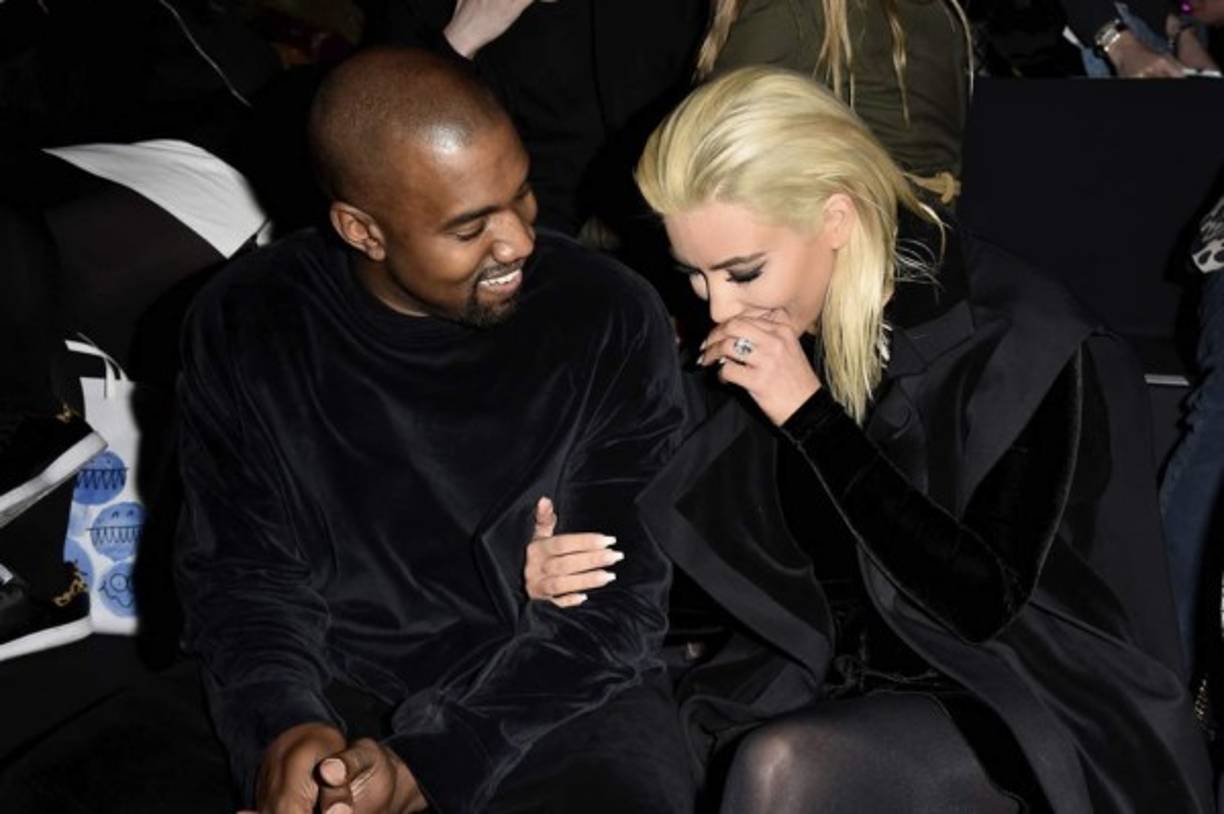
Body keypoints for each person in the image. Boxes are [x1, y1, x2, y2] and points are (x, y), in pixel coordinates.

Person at [527, 66, 1214, 811]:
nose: (719, 307)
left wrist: (810, 416)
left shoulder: (1023, 341)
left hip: (1030, 697)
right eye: (694, 278)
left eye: (743, 272)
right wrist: (577, 570)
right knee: (601, 747)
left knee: (784, 768)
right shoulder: (780, 330)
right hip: (839, 679)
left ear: (837, 219)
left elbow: (979, 603)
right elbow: (749, 567)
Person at [694, 0, 972, 204]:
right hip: (934, 247)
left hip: (863, 248)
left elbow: (695, 150)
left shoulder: (793, 11)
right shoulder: (942, 11)